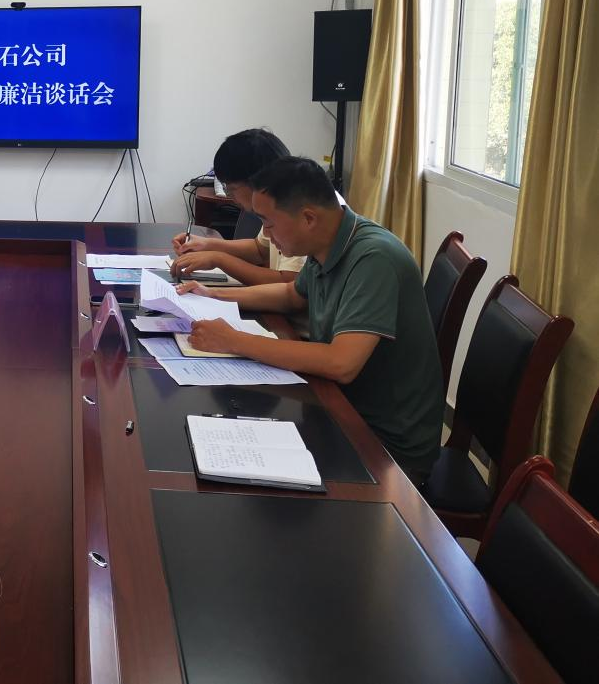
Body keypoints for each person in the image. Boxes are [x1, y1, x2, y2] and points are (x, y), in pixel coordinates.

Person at [178, 157, 442, 485]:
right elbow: (292, 295)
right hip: (339, 405)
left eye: (269, 223)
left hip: (383, 444)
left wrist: (233, 340)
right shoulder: (327, 241)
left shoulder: (374, 259)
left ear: (308, 218)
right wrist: (212, 295)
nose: (266, 235)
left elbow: (341, 363)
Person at [170, 129, 307, 285]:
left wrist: (218, 259)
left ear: (256, 181)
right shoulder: (273, 206)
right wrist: (206, 244)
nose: (230, 196)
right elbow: (260, 249)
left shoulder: (294, 211)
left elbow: (288, 283)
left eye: (232, 188)